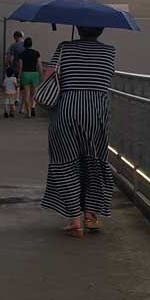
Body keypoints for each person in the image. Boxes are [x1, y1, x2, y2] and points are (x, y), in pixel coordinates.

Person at [41, 26, 116, 238]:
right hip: (97, 113)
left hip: (67, 109)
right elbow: (106, 77)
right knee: (93, 161)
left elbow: (49, 74)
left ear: (78, 29)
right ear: (100, 30)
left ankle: (75, 220)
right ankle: (90, 216)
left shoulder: (64, 47)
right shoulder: (110, 51)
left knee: (65, 162)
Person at [18, 36, 42, 117]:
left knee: (27, 94)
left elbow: (20, 67)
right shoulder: (36, 53)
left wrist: (19, 77)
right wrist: (41, 74)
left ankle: (28, 113)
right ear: (31, 44)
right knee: (34, 94)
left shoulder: (22, 54)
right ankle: (33, 106)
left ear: (24, 45)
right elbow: (39, 65)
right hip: (34, 74)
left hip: (25, 74)